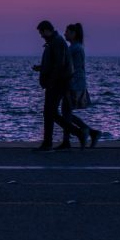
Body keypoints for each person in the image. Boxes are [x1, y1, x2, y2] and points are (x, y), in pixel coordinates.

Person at [31, 20, 84, 152]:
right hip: (56, 83)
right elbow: (55, 63)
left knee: (50, 113)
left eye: (41, 32)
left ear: (47, 30)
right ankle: (51, 142)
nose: (41, 36)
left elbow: (59, 65)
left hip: (57, 84)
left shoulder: (57, 42)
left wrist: (51, 81)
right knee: (50, 113)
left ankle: (76, 134)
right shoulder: (54, 42)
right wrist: (42, 69)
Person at [59, 23, 102, 149]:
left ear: (74, 33)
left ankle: (85, 132)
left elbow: (66, 66)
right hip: (77, 83)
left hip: (73, 84)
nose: (65, 34)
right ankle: (89, 132)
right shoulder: (77, 47)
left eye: (67, 32)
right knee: (66, 112)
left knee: (66, 112)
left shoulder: (74, 48)